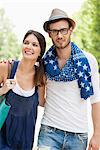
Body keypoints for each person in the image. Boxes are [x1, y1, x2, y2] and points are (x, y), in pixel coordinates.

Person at [37, 8, 100, 150]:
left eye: (63, 30)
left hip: (78, 135)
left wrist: (97, 134)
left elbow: (95, 100)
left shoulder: (88, 60)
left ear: (71, 30)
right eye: (54, 31)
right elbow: (40, 100)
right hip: (49, 131)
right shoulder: (44, 63)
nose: (59, 35)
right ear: (49, 34)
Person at [0, 29, 46, 150]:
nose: (29, 46)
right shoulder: (7, 67)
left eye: (34, 45)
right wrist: (2, 90)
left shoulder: (40, 77)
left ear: (40, 52)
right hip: (2, 138)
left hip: (25, 141)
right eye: (26, 42)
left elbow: (43, 102)